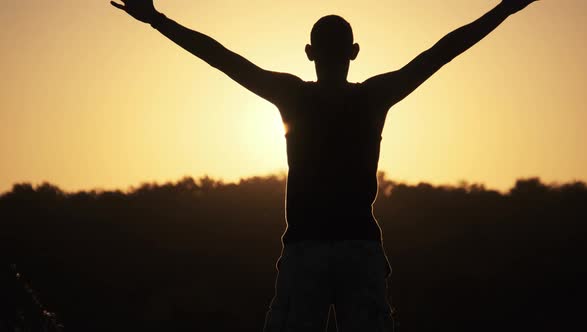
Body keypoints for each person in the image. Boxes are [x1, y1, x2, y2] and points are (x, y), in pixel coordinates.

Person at [110, 1, 539, 331]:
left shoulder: (293, 96)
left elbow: (220, 57)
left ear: (309, 52)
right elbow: (441, 51)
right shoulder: (372, 97)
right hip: (359, 252)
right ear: (354, 52)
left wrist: (157, 18)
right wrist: (503, 8)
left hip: (305, 252)